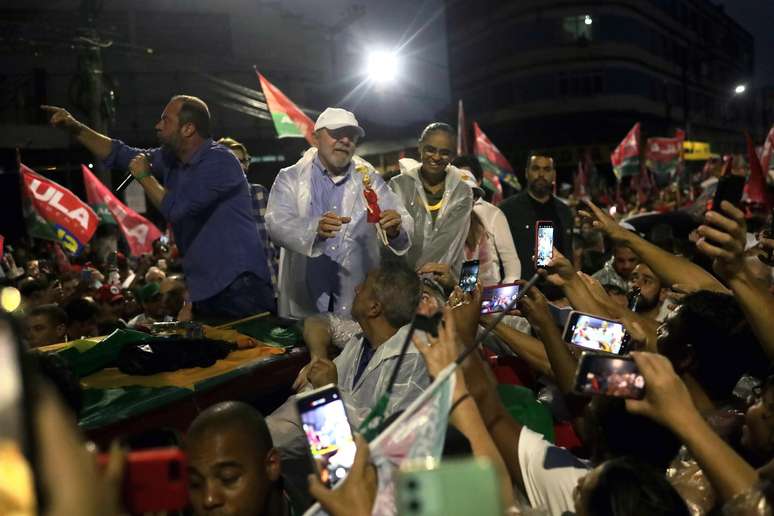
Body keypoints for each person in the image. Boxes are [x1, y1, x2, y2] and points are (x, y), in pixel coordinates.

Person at [42, 97, 275, 321]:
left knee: (260, 356)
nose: (157, 125)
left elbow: (178, 209)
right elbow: (120, 153)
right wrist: (75, 128)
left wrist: (144, 176)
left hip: (239, 287)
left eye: (166, 120)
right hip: (206, 289)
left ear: (188, 129)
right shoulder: (171, 159)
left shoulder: (220, 162)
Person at [265, 107, 412, 319]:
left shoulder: (369, 178)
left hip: (356, 295)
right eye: (336, 134)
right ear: (316, 138)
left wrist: (395, 230)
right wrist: (313, 229)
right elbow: (276, 224)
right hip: (308, 296)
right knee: (313, 347)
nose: (345, 140)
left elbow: (401, 220)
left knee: (356, 348)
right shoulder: (291, 177)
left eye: (351, 136)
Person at [184, 401, 301, 516]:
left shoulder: (314, 503)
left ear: (272, 465)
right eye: (195, 484)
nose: (209, 499)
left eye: (228, 478)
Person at [389, 122, 474, 273]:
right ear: (420, 147)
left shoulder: (464, 193)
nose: (436, 157)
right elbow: (389, 239)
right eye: (430, 149)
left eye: (445, 152)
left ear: (453, 155)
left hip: (446, 280)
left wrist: (464, 285)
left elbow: (467, 254)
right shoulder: (399, 185)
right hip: (404, 281)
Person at [499, 153, 574, 280]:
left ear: (554, 174)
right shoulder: (506, 210)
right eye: (535, 168)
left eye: (546, 169)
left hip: (557, 293)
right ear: (526, 173)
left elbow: (569, 254)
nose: (541, 174)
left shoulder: (564, 212)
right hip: (520, 291)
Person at [218, 136, 280, 291]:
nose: (239, 166)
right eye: (232, 160)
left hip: (268, 286)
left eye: (242, 161)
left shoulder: (259, 194)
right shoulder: (208, 201)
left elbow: (276, 241)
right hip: (228, 292)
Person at [452, 155, 521, 282]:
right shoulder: (444, 216)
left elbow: (511, 263)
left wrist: (505, 299)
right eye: (459, 191)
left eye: (469, 193)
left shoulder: (483, 219)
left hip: (483, 295)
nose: (465, 198)